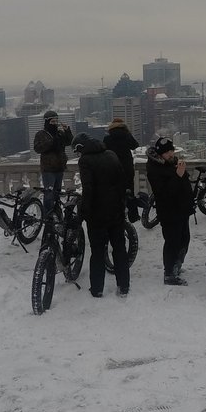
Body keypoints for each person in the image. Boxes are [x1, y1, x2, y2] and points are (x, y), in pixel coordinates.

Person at [74, 132, 130, 298]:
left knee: (97, 252)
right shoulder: (111, 154)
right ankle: (124, 286)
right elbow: (122, 181)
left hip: (97, 214)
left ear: (80, 148)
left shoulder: (85, 161)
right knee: (119, 249)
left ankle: (97, 288)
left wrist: (83, 212)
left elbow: (88, 189)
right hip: (116, 211)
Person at [146, 136, 193, 285]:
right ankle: (169, 272)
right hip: (169, 211)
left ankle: (176, 265)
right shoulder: (154, 168)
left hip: (182, 209)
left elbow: (183, 183)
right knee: (172, 241)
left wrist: (182, 174)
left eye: (171, 151)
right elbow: (163, 193)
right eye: (167, 153)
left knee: (184, 239)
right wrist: (178, 176)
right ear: (160, 154)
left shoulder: (172, 163)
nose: (171, 154)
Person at [103, 117, 141, 222]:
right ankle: (133, 216)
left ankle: (117, 214)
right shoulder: (126, 135)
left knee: (115, 192)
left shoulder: (107, 138)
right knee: (129, 191)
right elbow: (135, 145)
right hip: (126, 167)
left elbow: (103, 150)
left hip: (113, 167)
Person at [33, 110, 74, 207]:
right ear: (47, 122)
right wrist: (51, 142)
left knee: (57, 194)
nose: (54, 124)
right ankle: (48, 216)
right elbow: (37, 148)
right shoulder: (41, 134)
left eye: (56, 121)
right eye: (52, 122)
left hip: (60, 168)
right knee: (49, 194)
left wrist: (67, 131)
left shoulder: (59, 133)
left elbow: (70, 141)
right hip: (48, 169)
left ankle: (56, 212)